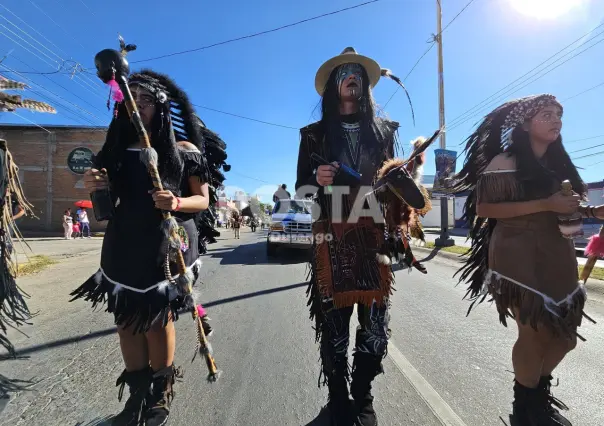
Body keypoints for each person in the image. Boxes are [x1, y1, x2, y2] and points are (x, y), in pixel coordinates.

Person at [295, 47, 433, 426]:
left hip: (375, 239)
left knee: (374, 329)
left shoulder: (384, 132)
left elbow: (394, 183)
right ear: (333, 86)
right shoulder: (313, 136)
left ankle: (363, 394)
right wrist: (316, 181)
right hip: (333, 239)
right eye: (345, 72)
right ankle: (338, 396)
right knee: (335, 329)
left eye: (358, 71)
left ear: (367, 84)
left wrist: (398, 181)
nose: (352, 75)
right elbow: (301, 192)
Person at [70, 70, 214, 426]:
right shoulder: (114, 151)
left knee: (155, 320)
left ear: (160, 107)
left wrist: (176, 203)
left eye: (145, 100)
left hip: (164, 249)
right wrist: (93, 183)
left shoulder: (184, 151)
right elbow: (105, 202)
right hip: (122, 245)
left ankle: (160, 394)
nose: (136, 106)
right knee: (126, 322)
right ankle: (135, 397)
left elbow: (202, 201)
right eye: (129, 98)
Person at [452, 94, 603, 426]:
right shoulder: (504, 161)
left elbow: (565, 207)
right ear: (524, 124)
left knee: (564, 338)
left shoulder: (559, 163)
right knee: (532, 332)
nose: (556, 120)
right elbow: (485, 209)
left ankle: (537, 392)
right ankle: (526, 408)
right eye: (546, 114)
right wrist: (546, 205)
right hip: (516, 252)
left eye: (559, 115)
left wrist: (591, 211)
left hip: (558, 253)